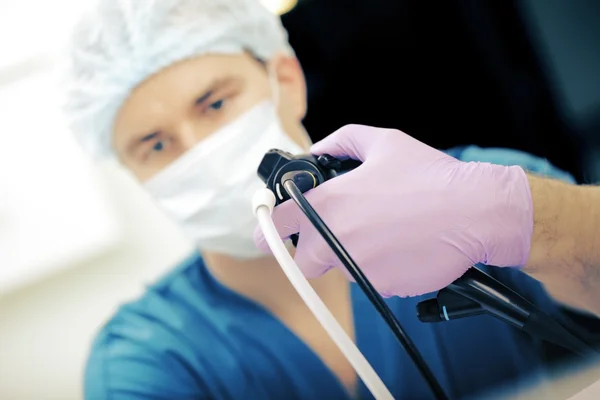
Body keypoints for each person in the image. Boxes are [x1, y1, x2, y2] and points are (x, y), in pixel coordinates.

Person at [63, 0, 597, 399]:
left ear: (285, 79)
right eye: (155, 145)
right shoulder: (149, 358)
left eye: (216, 103)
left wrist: (524, 216)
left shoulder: (471, 181)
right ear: (135, 174)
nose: (199, 150)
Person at [254, 125, 600, 317]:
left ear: (285, 75)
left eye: (215, 103)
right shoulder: (199, 354)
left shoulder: (479, 174)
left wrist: (511, 211)